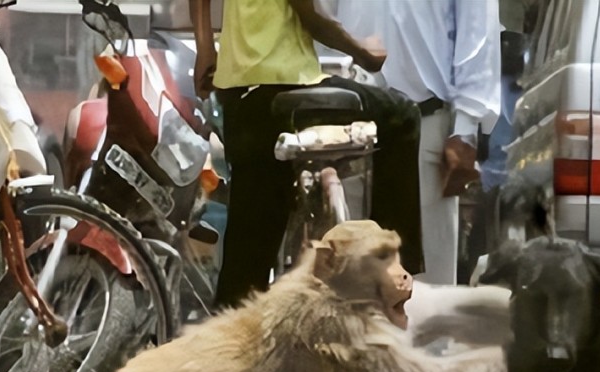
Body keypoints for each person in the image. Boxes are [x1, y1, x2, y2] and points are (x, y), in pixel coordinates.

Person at [189, 0, 425, 309]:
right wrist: (364, 53)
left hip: (239, 96)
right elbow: (311, 15)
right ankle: (390, 266)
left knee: (247, 263)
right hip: (285, 86)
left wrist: (205, 48)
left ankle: (226, 344)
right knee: (403, 117)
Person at [330, 0, 501, 285]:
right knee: (345, 278)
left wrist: (466, 127)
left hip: (425, 121)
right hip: (347, 118)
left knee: (424, 285)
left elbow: (477, 28)